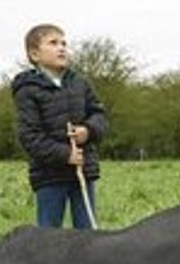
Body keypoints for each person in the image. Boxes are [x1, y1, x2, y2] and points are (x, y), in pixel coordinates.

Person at [11, 23, 108, 228]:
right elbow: (29, 136)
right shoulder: (27, 90)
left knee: (88, 234)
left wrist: (88, 131)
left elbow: (99, 114)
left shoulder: (80, 83)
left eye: (64, 43)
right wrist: (65, 155)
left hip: (83, 171)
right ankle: (46, 261)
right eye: (53, 43)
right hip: (49, 175)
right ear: (35, 54)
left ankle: (86, 261)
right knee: (49, 236)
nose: (62, 47)